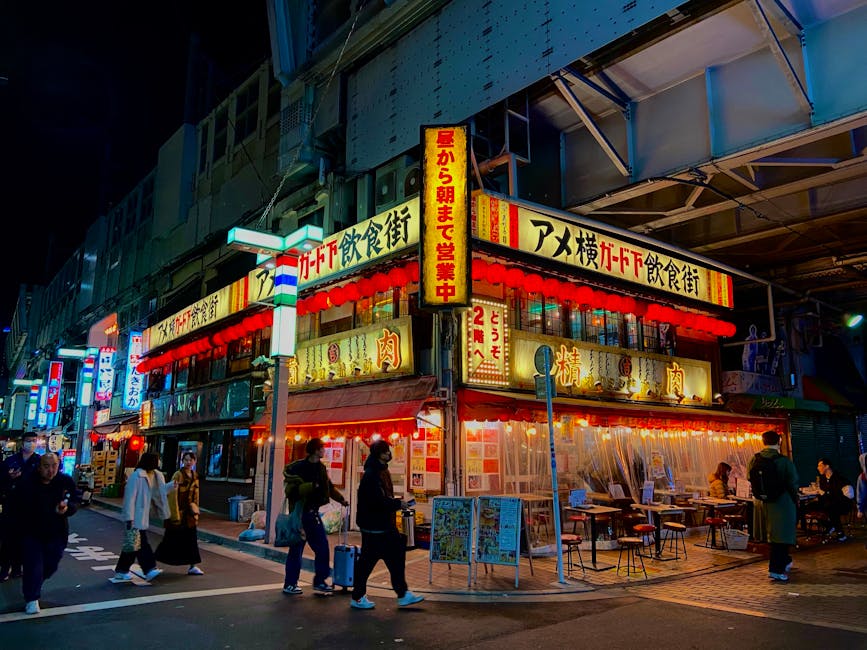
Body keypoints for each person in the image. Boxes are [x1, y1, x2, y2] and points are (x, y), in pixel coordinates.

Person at [350, 439, 424, 610]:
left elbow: (382, 498)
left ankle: (402, 594)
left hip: (381, 525)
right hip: (375, 527)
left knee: (393, 558)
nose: (390, 454)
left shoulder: (380, 471)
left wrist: (395, 503)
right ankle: (359, 596)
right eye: (386, 451)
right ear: (380, 454)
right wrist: (398, 504)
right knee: (370, 562)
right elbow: (377, 501)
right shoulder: (372, 474)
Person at [282, 438, 348, 595]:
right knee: (299, 548)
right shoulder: (299, 468)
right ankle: (293, 583)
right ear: (316, 451)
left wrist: (341, 500)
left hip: (313, 513)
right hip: (300, 514)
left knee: (320, 547)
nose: (324, 450)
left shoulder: (321, 468)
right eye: (322, 448)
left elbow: (329, 488)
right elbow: (291, 491)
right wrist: (311, 487)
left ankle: (316, 581)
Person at [18, 452, 78, 614]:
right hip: (32, 533)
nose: (51, 470)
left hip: (57, 533)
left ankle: (34, 584)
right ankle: (31, 598)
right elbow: (17, 507)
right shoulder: (28, 482)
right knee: (33, 566)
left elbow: (74, 501)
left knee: (51, 564)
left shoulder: (65, 481)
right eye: (46, 466)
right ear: (39, 467)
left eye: (54, 466)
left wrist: (67, 509)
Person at [112, 452, 170, 582]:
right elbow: (130, 498)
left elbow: (159, 492)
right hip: (135, 517)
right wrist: (129, 517)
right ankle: (149, 568)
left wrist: (171, 486)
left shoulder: (153, 475)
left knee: (132, 545)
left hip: (141, 516)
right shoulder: (136, 476)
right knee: (141, 543)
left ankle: (121, 570)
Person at [748, 430, 798, 582]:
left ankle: (785, 562)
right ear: (779, 442)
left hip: (762, 504)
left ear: (763, 442)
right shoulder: (783, 461)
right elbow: (793, 481)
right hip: (782, 503)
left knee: (772, 537)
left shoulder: (754, 459)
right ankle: (776, 569)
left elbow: (749, 477)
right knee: (782, 537)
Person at [0, 431, 42, 582]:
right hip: (11, 505)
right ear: (22, 442)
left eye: (33, 440)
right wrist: (9, 479)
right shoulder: (10, 461)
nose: (31, 443)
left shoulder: (39, 461)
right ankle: (5, 568)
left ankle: (18, 568)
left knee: (25, 540)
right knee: (7, 539)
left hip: (31, 508)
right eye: (28, 440)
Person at [155, 451, 203, 575]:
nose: (188, 462)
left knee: (191, 539)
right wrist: (174, 513)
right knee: (170, 539)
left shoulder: (195, 475)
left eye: (191, 460)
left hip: (189, 514)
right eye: (186, 460)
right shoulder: (178, 475)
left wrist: (195, 510)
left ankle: (193, 565)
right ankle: (151, 563)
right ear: (182, 461)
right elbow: (172, 494)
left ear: (194, 461)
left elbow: (196, 495)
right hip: (178, 512)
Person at [816, 457, 852, 541]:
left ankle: (841, 533)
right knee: (812, 506)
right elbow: (824, 495)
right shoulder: (822, 479)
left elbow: (841, 496)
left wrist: (824, 494)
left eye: (820, 466)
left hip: (842, 503)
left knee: (830, 507)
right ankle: (829, 525)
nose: (818, 468)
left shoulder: (839, 478)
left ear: (827, 466)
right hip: (828, 502)